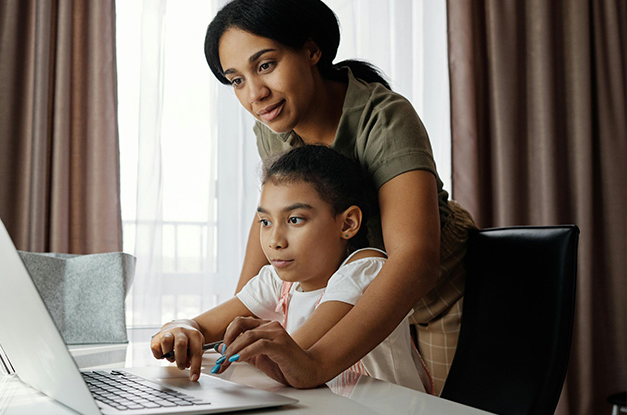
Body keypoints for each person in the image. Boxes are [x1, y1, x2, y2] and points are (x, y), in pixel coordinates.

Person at [202, 0, 477, 393]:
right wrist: (233, 327)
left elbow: (414, 259)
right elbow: (273, 213)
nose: (255, 94)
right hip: (349, 294)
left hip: (435, 295)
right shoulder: (274, 123)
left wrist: (315, 364)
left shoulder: (384, 118)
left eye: (265, 65)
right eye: (237, 80)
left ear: (312, 51)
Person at [151, 145, 428, 392]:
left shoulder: (365, 270)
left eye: (295, 219)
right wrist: (180, 330)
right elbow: (202, 324)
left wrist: (239, 345)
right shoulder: (278, 281)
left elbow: (295, 356)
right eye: (265, 222)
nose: (274, 241)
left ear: (347, 224)